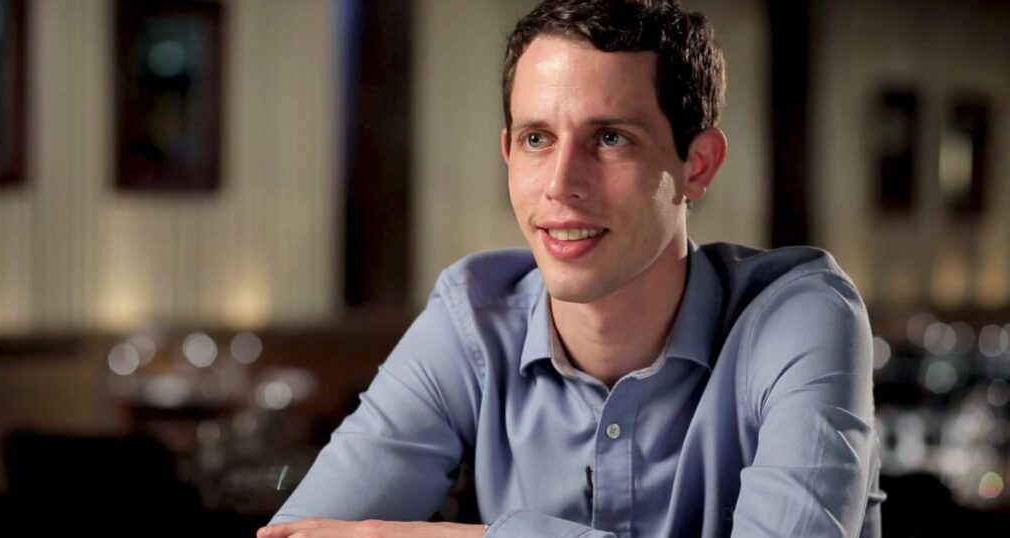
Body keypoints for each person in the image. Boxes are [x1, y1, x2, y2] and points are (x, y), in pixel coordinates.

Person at [259, 0, 885, 536]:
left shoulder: (799, 315)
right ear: (508, 152)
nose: (560, 185)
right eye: (537, 139)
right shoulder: (473, 316)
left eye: (610, 138)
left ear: (697, 165)